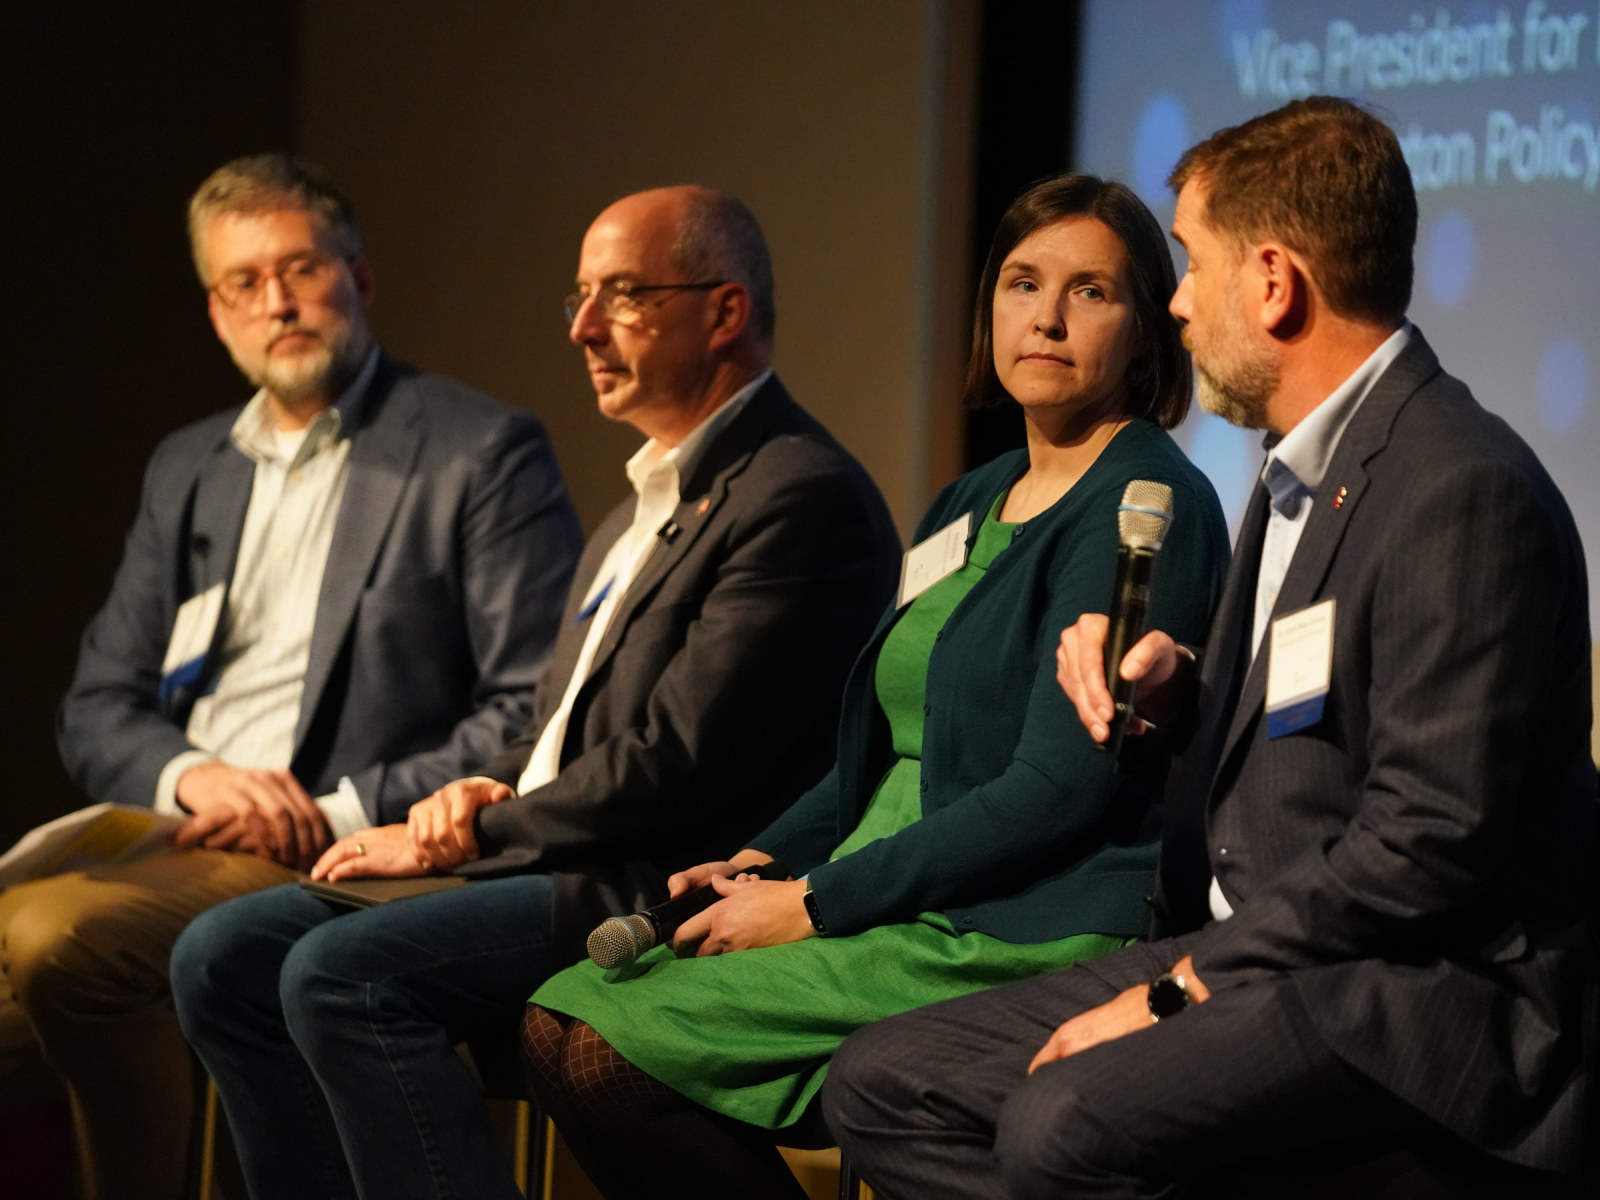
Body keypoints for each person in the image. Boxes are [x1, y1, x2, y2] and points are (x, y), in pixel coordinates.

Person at [824, 96, 1599, 1198]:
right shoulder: (1298, 473)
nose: (1176, 305)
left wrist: (1181, 986)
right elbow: (1311, 730)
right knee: (884, 1081)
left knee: (1063, 1121)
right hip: (1259, 952)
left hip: (1408, 994)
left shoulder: (1454, 487)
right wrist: (1177, 704)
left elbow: (1428, 846)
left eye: (1190, 264)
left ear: (1273, 283)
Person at [170, 185, 902, 1200]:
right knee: (219, 953)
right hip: (553, 852)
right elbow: (563, 734)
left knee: (343, 976)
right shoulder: (637, 509)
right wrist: (481, 790)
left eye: (624, 297)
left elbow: (677, 765)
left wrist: (473, 832)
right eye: (580, 300)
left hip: (650, 875)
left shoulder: (795, 494)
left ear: (724, 313)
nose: (586, 329)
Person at [524, 173, 1231, 1200]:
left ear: (1144, 334)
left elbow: (1056, 791)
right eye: (1022, 284)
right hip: (884, 882)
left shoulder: (1145, 503)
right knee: (571, 1014)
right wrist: (773, 852)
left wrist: (814, 898)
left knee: (599, 1047)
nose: (1044, 317)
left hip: (1012, 919)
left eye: (1090, 293)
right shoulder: (969, 497)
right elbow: (889, 742)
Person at [0, 153, 581, 1200]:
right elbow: (97, 701)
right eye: (242, 283)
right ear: (216, 311)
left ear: (359, 278)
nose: (276, 302)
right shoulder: (192, 466)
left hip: (342, 839)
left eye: (300, 268)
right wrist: (192, 775)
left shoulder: (476, 449)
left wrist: (334, 808)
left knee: (54, 945)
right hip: (180, 830)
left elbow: (528, 710)